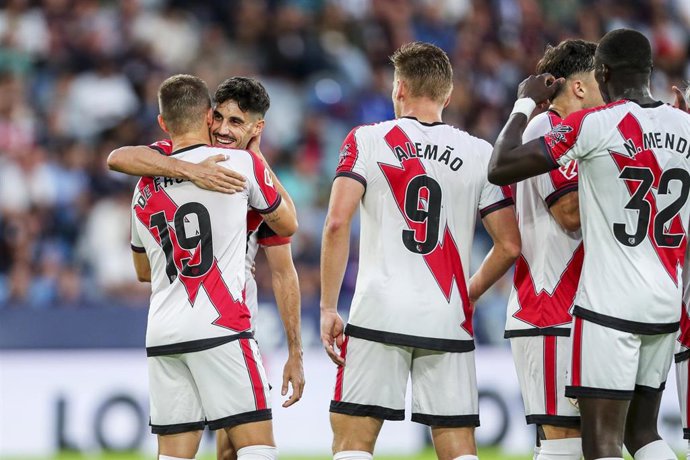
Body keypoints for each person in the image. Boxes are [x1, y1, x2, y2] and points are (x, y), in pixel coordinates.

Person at [489, 28, 690, 460]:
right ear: (650, 71)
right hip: (665, 302)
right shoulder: (686, 125)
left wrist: (525, 102)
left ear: (603, 72)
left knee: (599, 443)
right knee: (644, 434)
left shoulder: (592, 124)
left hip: (608, 304)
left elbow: (501, 166)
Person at [320, 41, 521, 460]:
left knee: (353, 444)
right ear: (448, 96)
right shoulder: (479, 153)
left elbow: (337, 223)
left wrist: (326, 307)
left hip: (378, 312)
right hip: (446, 315)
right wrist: (468, 294)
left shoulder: (367, 140)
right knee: (458, 449)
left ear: (399, 89)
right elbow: (509, 245)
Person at [110, 76, 304, 460]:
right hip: (224, 323)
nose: (226, 130)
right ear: (208, 116)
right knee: (255, 448)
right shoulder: (242, 167)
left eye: (237, 122)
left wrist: (295, 351)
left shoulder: (145, 183)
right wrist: (201, 170)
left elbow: (143, 270)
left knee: (181, 454)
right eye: (222, 119)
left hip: (164, 331)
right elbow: (290, 224)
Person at [504, 39, 601, 460]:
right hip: (550, 306)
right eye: (603, 79)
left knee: (597, 444)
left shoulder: (588, 135)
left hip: (584, 306)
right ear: (579, 87)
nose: (610, 89)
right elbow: (568, 212)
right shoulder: (547, 128)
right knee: (564, 443)